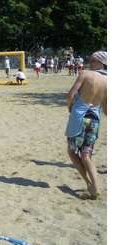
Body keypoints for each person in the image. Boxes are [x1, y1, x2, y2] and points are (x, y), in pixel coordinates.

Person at [65, 51, 107, 199]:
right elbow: (106, 108)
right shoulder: (108, 80)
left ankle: (88, 183)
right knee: (87, 155)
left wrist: (70, 107)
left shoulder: (85, 74)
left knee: (72, 151)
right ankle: (95, 188)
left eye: (93, 59)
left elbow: (70, 95)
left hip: (79, 118)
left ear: (101, 62)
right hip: (95, 119)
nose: (90, 61)